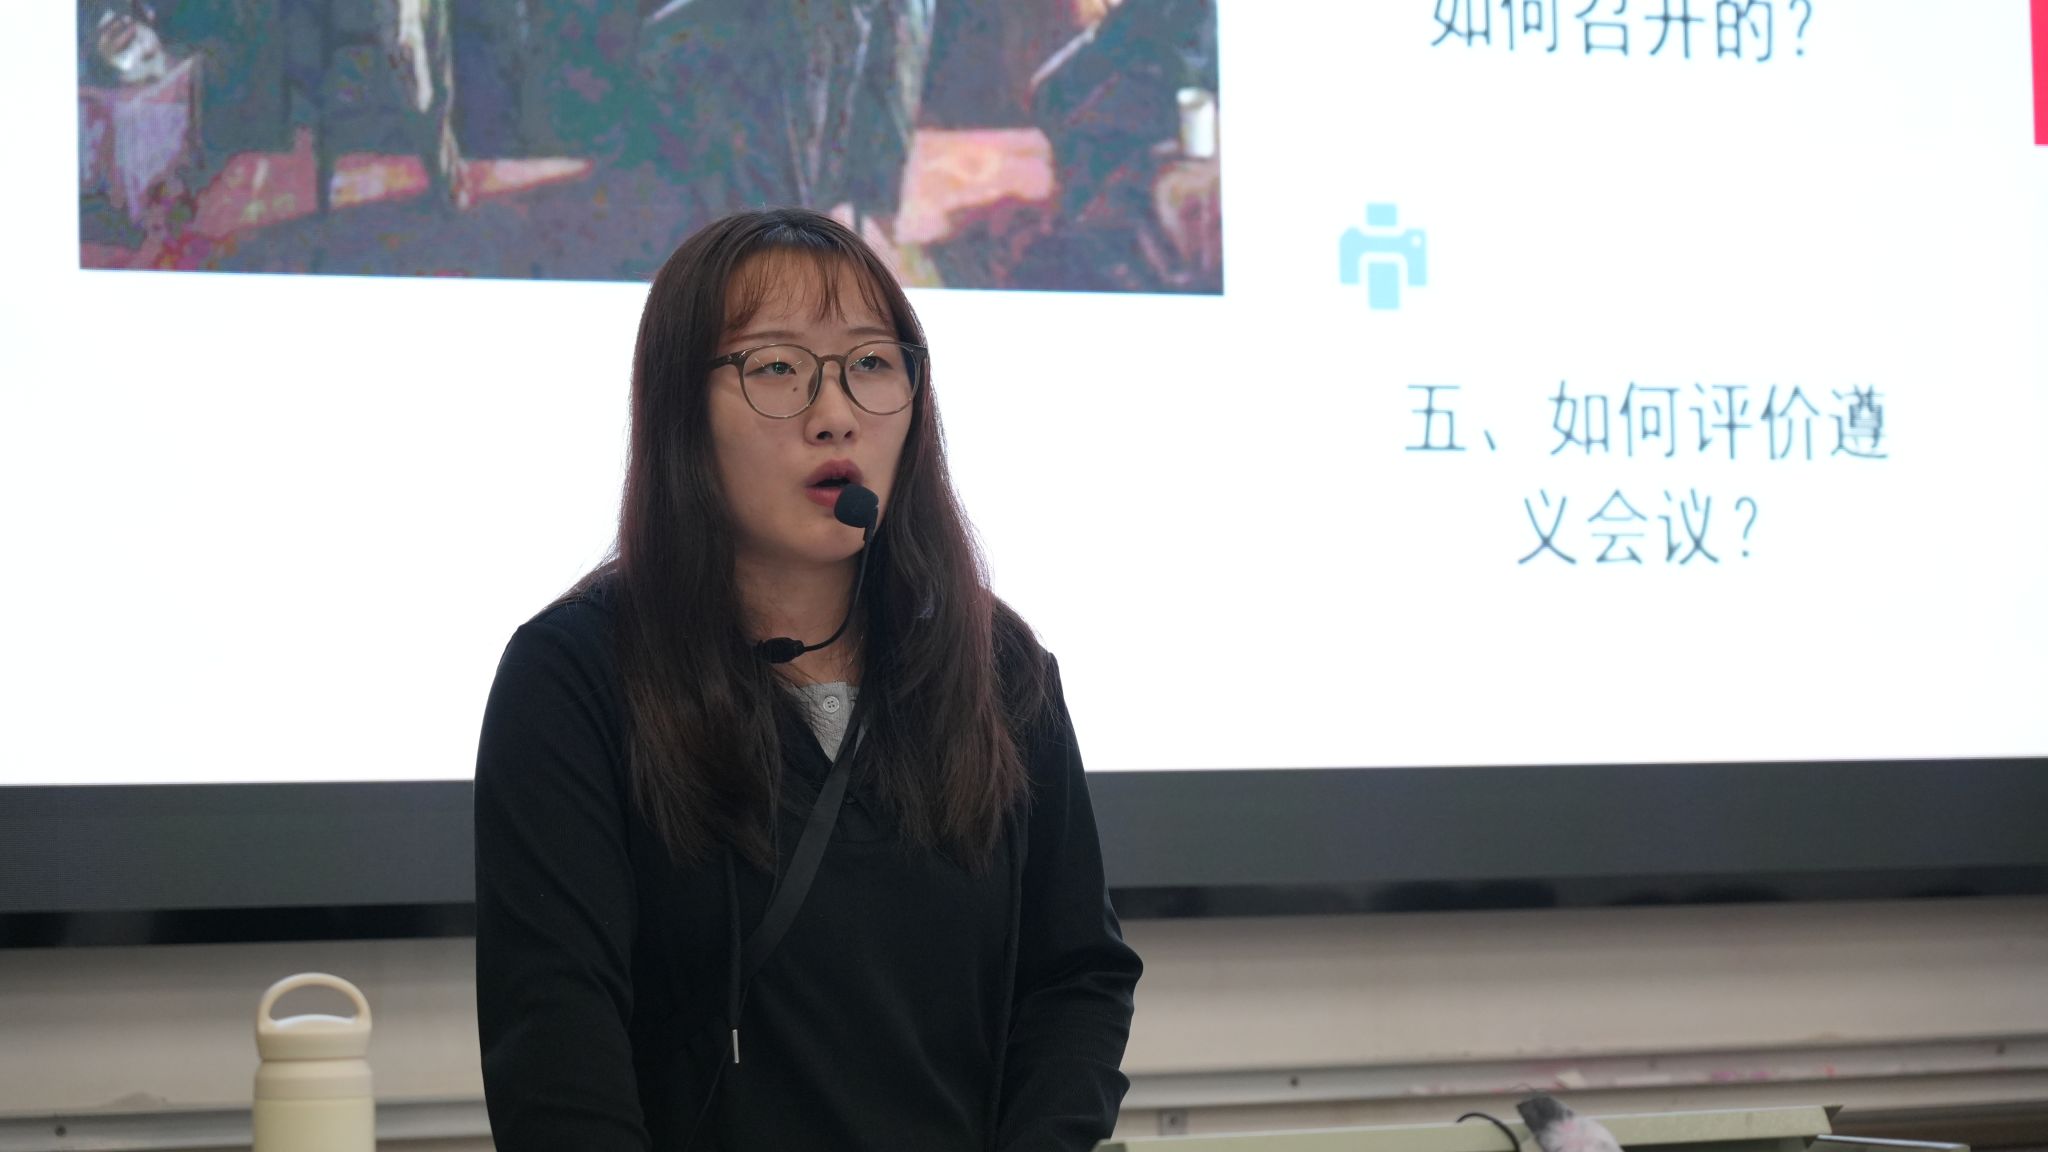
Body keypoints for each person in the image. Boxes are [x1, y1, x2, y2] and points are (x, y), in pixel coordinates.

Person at [474, 205, 1142, 1151]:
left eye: (871, 363)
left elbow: (1076, 978)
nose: (835, 414)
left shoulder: (994, 665)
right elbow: (554, 1039)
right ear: (681, 409)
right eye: (778, 368)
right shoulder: (577, 676)